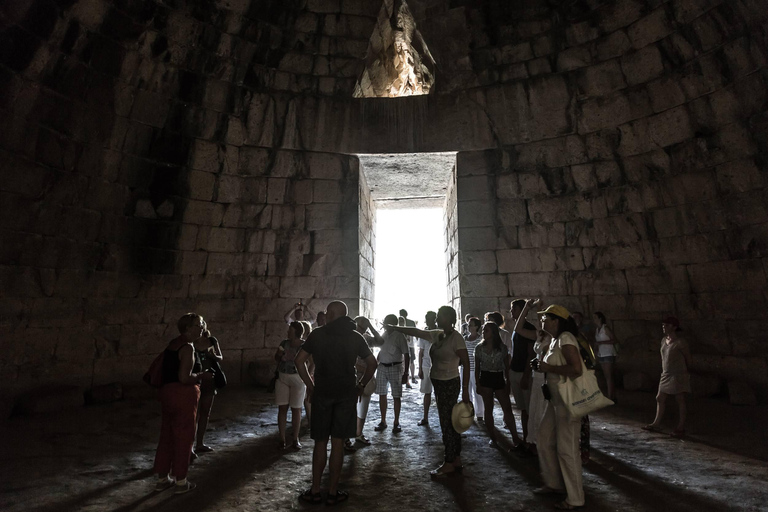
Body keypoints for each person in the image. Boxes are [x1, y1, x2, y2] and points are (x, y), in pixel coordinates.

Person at [294, 301, 377, 505]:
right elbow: (372, 363)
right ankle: (332, 492)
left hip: (322, 392)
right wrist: (360, 385)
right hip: (346, 394)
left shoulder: (317, 334)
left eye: (329, 312)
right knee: (338, 442)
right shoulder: (355, 336)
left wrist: (310, 385)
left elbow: (299, 361)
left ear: (331, 314)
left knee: (320, 442)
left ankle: (314, 490)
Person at [388, 305, 471, 477]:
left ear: (449, 318)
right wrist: (396, 327)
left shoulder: (456, 339)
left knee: (447, 423)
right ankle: (456, 459)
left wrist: (465, 391)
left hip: (449, 383)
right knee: (450, 422)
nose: (437, 319)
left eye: (440, 316)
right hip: (440, 382)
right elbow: (415, 331)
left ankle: (449, 462)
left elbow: (467, 364)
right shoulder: (438, 334)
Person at [531, 302, 585, 510]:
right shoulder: (554, 340)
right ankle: (554, 483)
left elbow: (576, 369)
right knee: (544, 439)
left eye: (546, 317)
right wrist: (544, 367)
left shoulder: (566, 339)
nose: (542, 320)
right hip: (555, 401)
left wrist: (547, 367)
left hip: (567, 402)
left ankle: (575, 498)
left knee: (567, 449)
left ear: (556, 321)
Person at [153, 313, 213, 494]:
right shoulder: (187, 348)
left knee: (167, 435)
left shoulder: (173, 344)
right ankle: (181, 481)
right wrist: (202, 376)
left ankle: (162, 478)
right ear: (187, 328)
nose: (202, 328)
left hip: (167, 393)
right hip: (182, 395)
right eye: (198, 325)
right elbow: (184, 377)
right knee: (184, 437)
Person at [475, 322, 523, 448]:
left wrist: (508, 382)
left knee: (507, 408)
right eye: (484, 330)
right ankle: (493, 438)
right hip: (485, 377)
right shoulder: (479, 348)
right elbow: (477, 368)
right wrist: (478, 384)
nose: (484, 332)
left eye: (487, 330)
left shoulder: (502, 348)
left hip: (498, 376)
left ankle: (515, 437)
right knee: (488, 408)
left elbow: (506, 367)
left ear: (494, 333)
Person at [643, 316, 691, 438]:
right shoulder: (664, 340)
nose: (664, 327)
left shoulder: (680, 343)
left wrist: (685, 372)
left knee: (680, 399)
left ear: (674, 327)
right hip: (666, 374)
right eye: (663, 325)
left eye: (667, 325)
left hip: (677, 373)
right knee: (660, 397)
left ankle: (681, 427)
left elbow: (688, 358)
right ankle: (656, 423)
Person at [347, 316, 385, 450]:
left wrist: (371, 327)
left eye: (364, 328)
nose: (362, 330)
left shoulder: (366, 338)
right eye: (360, 327)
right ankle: (346, 437)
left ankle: (358, 433)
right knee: (349, 407)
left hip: (366, 376)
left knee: (363, 406)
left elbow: (381, 342)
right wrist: (365, 368)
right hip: (352, 376)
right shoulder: (348, 338)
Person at [274, 321, 308, 449]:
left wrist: (308, 375)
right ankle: (282, 439)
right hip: (283, 376)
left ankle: (295, 438)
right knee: (282, 408)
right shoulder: (284, 343)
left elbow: (311, 361)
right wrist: (279, 356)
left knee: (296, 409)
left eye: (290, 330)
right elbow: (276, 358)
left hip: (297, 378)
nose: (288, 331)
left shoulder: (304, 345)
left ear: (296, 331)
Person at [374, 314, 410, 433]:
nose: (384, 325)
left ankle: (396, 422)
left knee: (396, 395)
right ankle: (383, 421)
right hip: (382, 367)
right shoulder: (384, 335)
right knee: (382, 394)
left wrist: (406, 373)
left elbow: (406, 354)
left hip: (395, 366)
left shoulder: (400, 336)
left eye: (386, 323)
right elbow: (381, 350)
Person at [192, 322, 223, 454]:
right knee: (192, 415)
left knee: (205, 413)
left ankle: (199, 443)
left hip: (209, 381)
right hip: (195, 380)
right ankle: (190, 446)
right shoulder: (191, 342)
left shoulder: (212, 340)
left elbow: (220, 357)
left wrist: (211, 356)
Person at [510, 299, 537, 442]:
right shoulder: (517, 328)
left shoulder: (529, 328)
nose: (511, 312)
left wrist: (526, 375)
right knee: (523, 409)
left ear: (522, 311)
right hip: (515, 371)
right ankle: (527, 438)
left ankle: (530, 440)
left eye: (514, 309)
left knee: (528, 409)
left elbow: (531, 354)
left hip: (523, 373)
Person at [417, 310, 437, 426]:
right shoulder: (423, 334)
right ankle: (425, 417)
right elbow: (421, 352)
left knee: (436, 393)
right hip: (426, 365)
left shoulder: (439, 332)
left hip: (436, 365)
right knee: (427, 392)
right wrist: (419, 369)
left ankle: (428, 417)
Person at [593, 312, 617, 401]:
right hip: (601, 354)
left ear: (600, 318)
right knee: (607, 376)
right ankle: (611, 395)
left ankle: (610, 396)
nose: (594, 319)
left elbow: (614, 340)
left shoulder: (605, 328)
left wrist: (601, 343)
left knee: (609, 376)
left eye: (595, 317)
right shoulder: (597, 329)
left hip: (608, 353)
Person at [463, 317, 483, 421]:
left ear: (476, 327)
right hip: (465, 368)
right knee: (466, 390)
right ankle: (468, 412)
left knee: (477, 391)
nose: (468, 326)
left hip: (475, 369)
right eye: (468, 325)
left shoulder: (481, 339)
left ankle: (479, 414)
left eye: (471, 325)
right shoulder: (464, 338)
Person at [400, 309, 418, 386]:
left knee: (403, 362)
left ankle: (406, 379)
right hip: (410, 345)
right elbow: (416, 333)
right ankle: (412, 377)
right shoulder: (411, 323)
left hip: (402, 345)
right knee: (411, 361)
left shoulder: (399, 323)